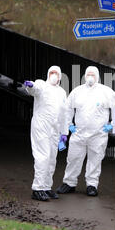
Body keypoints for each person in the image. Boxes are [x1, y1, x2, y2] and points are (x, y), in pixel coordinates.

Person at [57, 66, 115, 197]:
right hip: (78, 133)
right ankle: (69, 183)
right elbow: (68, 109)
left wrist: (111, 125)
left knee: (95, 160)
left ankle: (92, 185)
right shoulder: (77, 92)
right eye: (88, 74)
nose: (90, 77)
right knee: (73, 158)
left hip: (98, 135)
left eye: (93, 75)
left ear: (97, 76)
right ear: (84, 75)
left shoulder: (106, 92)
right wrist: (69, 125)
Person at [24, 66, 68, 201]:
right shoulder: (42, 85)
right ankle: (37, 188)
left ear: (60, 76)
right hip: (41, 126)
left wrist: (64, 132)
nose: (54, 75)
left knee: (51, 159)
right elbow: (35, 89)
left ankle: (46, 187)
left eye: (56, 73)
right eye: (51, 73)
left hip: (54, 129)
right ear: (48, 74)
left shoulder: (62, 92)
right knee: (43, 156)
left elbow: (64, 113)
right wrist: (30, 86)